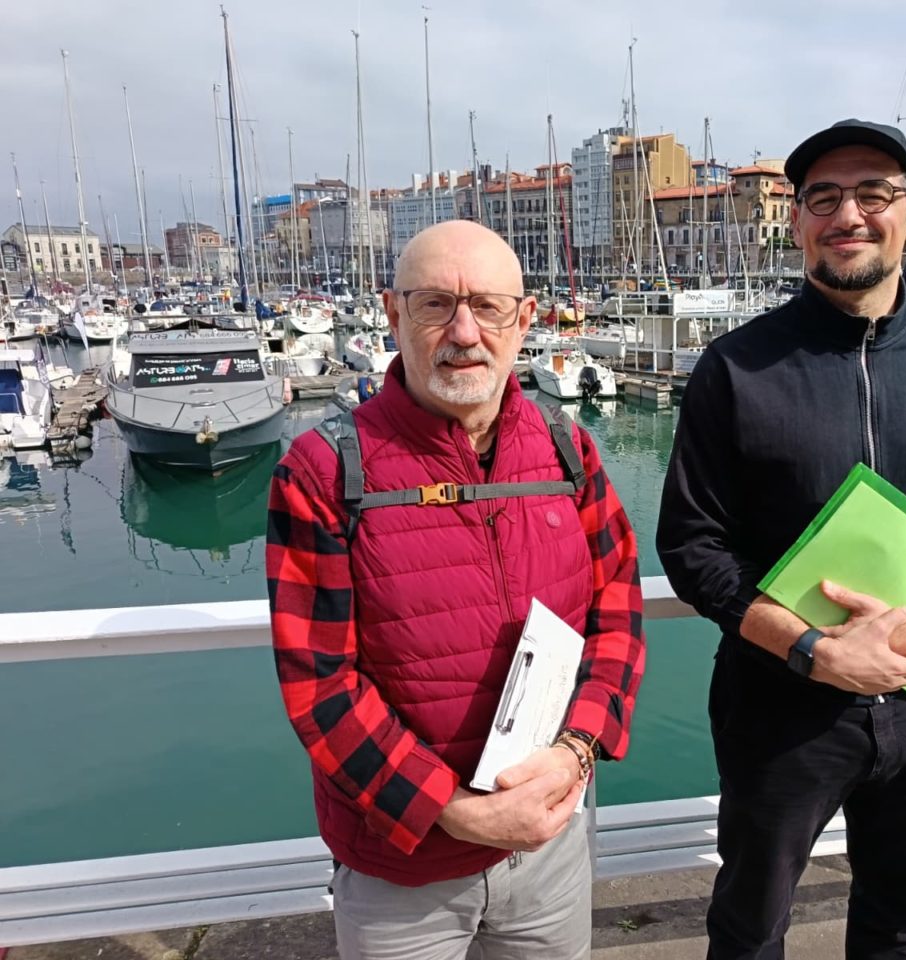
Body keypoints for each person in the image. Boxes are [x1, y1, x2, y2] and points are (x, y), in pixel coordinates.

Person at [657, 119, 906, 959]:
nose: (848, 215)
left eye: (873, 194)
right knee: (748, 929)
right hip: (777, 708)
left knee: (899, 927)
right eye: (824, 198)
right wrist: (814, 651)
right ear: (799, 221)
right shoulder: (735, 367)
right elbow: (693, 548)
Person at [267, 220, 645, 959]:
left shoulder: (568, 449)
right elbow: (320, 685)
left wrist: (577, 749)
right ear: (392, 313)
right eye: (436, 304)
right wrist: (452, 809)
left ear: (524, 320)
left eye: (489, 307)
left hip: (549, 845)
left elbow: (618, 612)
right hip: (401, 866)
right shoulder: (325, 471)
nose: (465, 332)